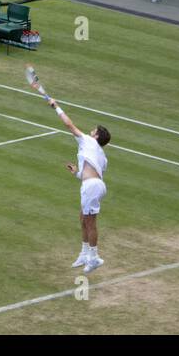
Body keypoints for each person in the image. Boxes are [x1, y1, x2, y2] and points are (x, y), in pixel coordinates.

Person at [44, 91, 110, 274]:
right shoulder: (101, 156)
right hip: (93, 185)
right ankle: (84, 253)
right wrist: (76, 173)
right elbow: (90, 173)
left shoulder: (88, 140)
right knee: (83, 219)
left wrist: (55, 106)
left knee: (90, 222)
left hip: (91, 187)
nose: (92, 130)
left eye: (94, 130)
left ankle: (94, 257)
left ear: (96, 136)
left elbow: (69, 124)